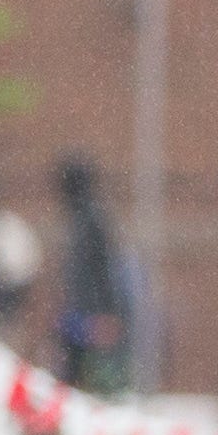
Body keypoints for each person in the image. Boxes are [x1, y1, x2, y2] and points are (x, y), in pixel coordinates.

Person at [53, 155, 135, 397]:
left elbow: (106, 272)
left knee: (95, 382)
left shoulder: (92, 219)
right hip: (80, 315)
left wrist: (107, 314)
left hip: (91, 317)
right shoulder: (82, 218)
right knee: (73, 378)